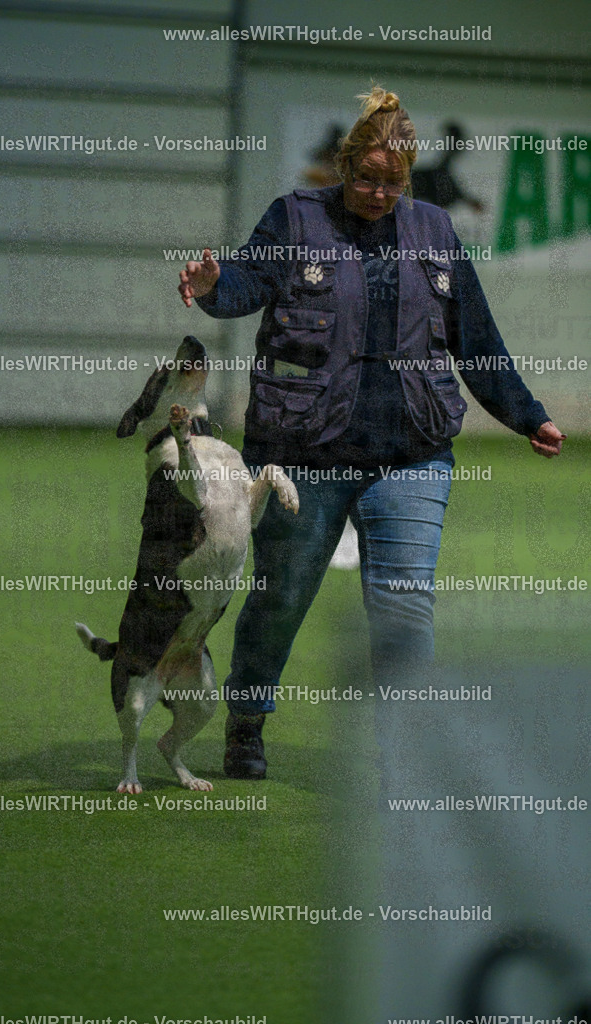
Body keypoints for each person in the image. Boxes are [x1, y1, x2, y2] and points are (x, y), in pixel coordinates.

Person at [177, 85, 565, 780]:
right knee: (282, 595)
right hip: (303, 454)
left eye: (391, 183)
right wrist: (211, 283)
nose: (377, 193)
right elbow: (240, 284)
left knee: (403, 605)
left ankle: (405, 751)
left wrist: (526, 413)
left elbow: (473, 337)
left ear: (407, 178)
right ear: (344, 166)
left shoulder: (434, 233)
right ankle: (246, 719)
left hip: (410, 453)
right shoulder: (295, 218)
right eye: (365, 178)